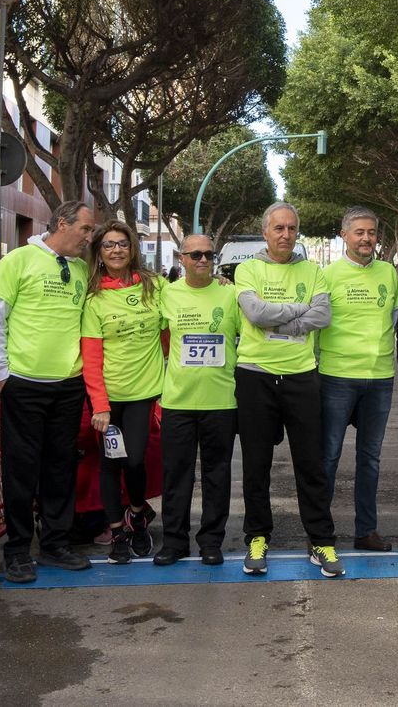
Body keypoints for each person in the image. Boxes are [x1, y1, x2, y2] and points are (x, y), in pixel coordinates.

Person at [0, 201, 98, 583]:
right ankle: (16, 549)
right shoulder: (17, 261)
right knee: (20, 469)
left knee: (61, 467)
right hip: (25, 385)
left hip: (68, 386)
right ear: (62, 223)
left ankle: (55, 543)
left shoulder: (81, 269)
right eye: (84, 228)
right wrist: (3, 376)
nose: (88, 237)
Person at [235, 202, 343, 577]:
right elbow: (254, 313)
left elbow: (323, 315)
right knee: (256, 465)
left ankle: (321, 541)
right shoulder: (247, 268)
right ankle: (257, 537)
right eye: (278, 228)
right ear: (265, 232)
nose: (285, 234)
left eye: (292, 228)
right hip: (255, 376)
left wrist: (280, 320)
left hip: (301, 376)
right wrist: (299, 311)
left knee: (310, 465)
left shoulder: (313, 270)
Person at [79, 220, 164, 564]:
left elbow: (173, 327)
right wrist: (99, 404)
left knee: (135, 460)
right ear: (99, 253)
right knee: (111, 463)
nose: (116, 250)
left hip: (144, 394)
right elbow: (91, 357)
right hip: (108, 398)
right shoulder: (93, 298)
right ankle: (117, 531)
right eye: (109, 245)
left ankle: (137, 514)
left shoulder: (154, 287)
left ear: (132, 250)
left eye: (123, 244)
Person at [319, 206, 398, 552]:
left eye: (371, 233)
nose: (366, 238)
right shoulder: (326, 275)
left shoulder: (389, 273)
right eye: (359, 233)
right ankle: (320, 530)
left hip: (380, 378)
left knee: (370, 458)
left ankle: (366, 531)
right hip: (336, 377)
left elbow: (396, 317)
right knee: (328, 456)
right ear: (344, 236)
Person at [156, 234, 240, 566]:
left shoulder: (230, 293)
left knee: (217, 475)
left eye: (208, 254)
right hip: (177, 401)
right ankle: (174, 542)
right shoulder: (167, 293)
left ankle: (211, 541)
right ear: (181, 258)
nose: (203, 259)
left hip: (221, 401)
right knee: (176, 475)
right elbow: (158, 338)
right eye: (195, 255)